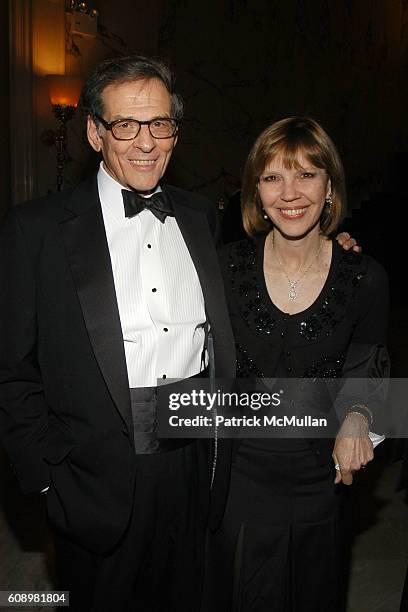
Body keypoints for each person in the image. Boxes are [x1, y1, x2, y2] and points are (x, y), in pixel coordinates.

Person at [0, 55, 236, 612]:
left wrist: (330, 247)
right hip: (93, 477)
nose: (145, 142)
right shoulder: (35, 231)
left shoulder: (202, 216)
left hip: (191, 465)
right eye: (126, 125)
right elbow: (11, 372)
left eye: (159, 124)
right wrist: (46, 480)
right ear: (93, 133)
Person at [207, 117, 389, 611]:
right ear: (256, 192)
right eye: (272, 177)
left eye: (307, 174)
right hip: (236, 480)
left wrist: (359, 415)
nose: (290, 193)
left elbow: (370, 365)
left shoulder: (365, 277)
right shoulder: (221, 269)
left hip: (321, 483)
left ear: (330, 185)